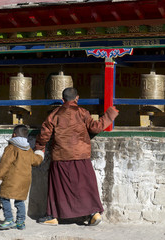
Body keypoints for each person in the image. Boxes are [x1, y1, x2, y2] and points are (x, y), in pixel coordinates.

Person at [35, 87, 119, 226]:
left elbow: (44, 134)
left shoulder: (54, 114)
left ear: (62, 100)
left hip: (61, 156)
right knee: (86, 186)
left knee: (58, 188)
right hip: (81, 156)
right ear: (77, 98)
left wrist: (39, 148)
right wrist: (110, 114)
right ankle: (94, 213)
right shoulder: (82, 112)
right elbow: (96, 128)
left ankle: (53, 216)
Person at [0, 124, 44, 230]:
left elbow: (4, 164)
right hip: (25, 180)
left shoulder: (11, 148)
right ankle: (20, 222)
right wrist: (40, 153)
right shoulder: (28, 149)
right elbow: (36, 161)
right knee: (19, 201)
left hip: (12, 179)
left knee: (4, 198)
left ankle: (9, 220)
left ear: (14, 134)